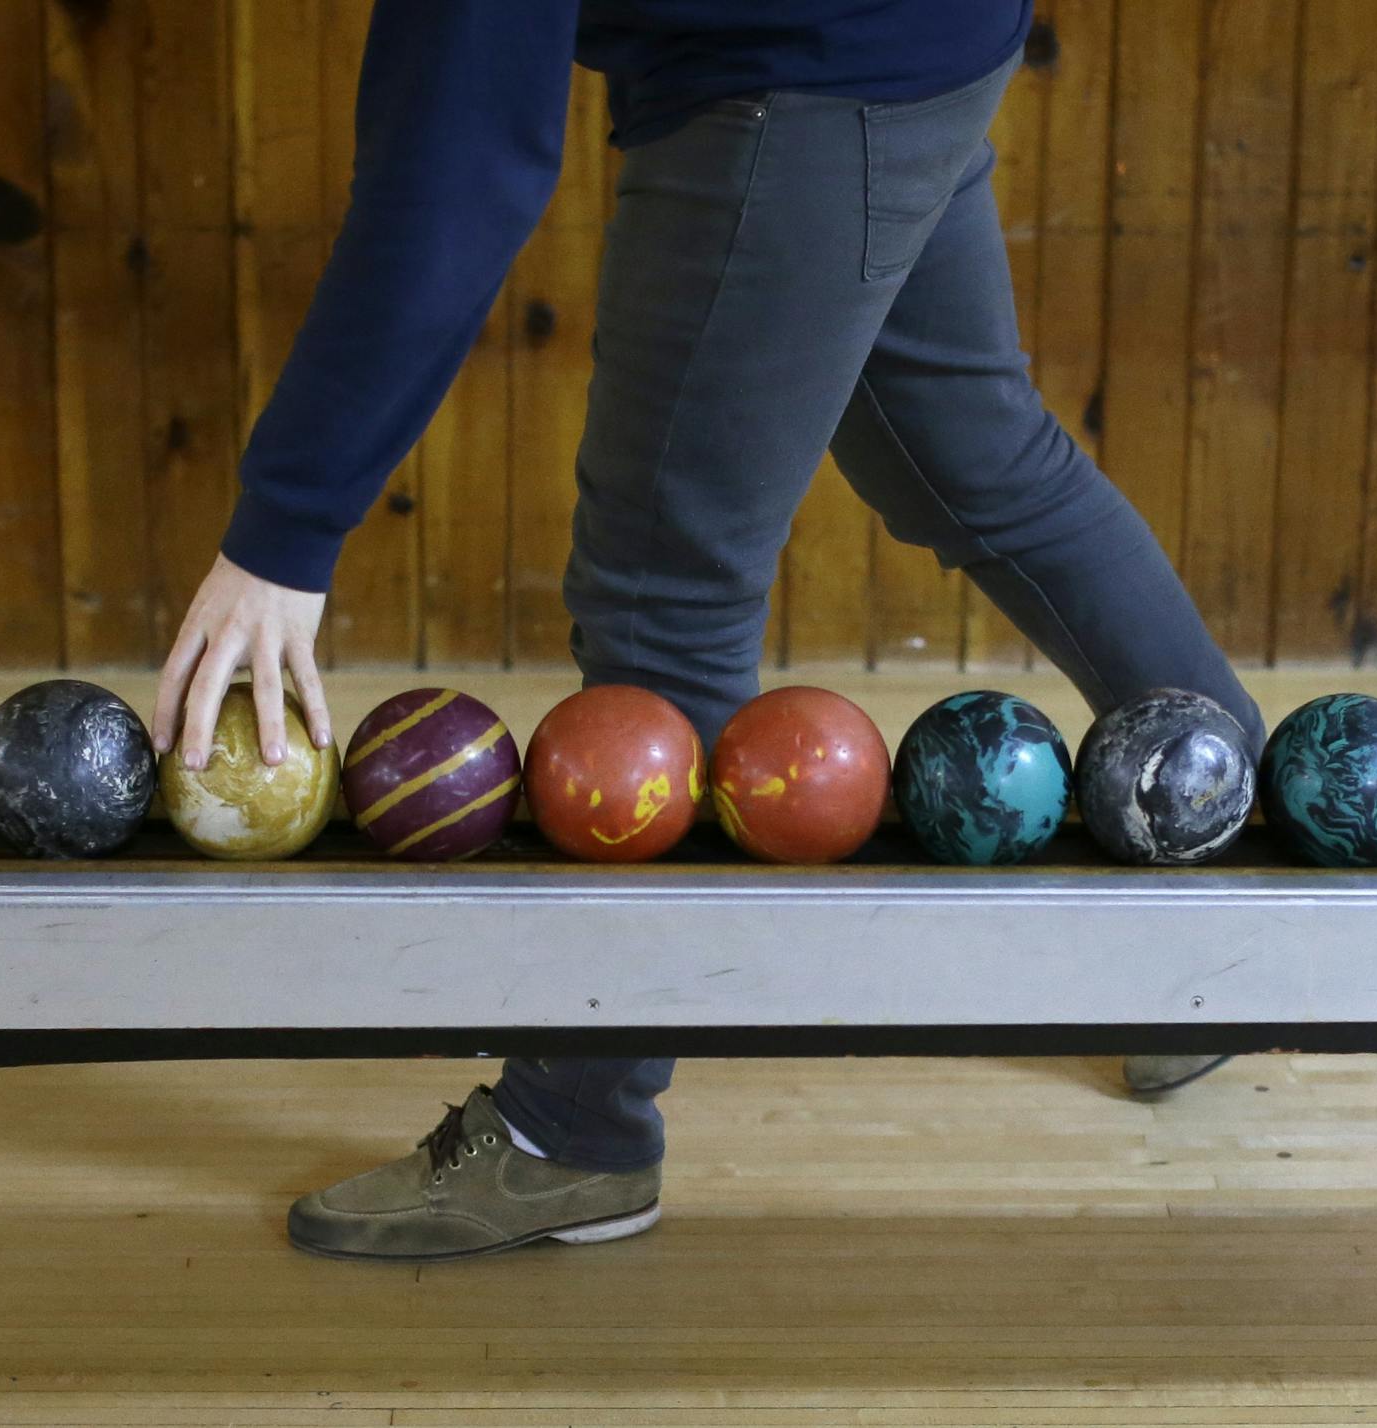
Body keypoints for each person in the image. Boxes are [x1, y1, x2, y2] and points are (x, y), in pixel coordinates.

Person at [151, 0, 1263, 1264]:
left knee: (660, 611)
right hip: (905, 33)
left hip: (801, 66)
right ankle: (1230, 932)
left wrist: (283, 538)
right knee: (974, 460)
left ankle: (574, 1135)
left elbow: (460, 172)